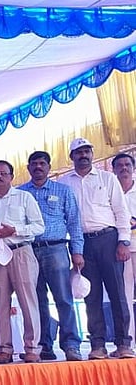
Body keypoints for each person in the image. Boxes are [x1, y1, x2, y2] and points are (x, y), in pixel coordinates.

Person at [59, 138, 133, 359]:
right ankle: (97, 345)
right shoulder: (64, 183)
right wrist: (74, 249)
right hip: (81, 243)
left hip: (108, 240)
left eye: (87, 151)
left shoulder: (108, 178)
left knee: (118, 294)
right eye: (78, 152)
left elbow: (121, 212)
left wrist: (123, 241)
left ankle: (123, 344)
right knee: (91, 296)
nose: (83, 155)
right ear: (71, 157)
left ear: (92, 154)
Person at [18, 151, 84, 361]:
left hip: (56, 249)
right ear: (28, 168)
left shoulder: (63, 191)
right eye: (34, 164)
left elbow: (74, 223)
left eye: (42, 163)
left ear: (48, 167)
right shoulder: (20, 193)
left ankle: (71, 344)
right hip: (28, 250)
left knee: (63, 298)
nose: (38, 167)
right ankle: (43, 345)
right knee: (36, 301)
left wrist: (77, 252)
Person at [0, 160, 45, 364]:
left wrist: (15, 230)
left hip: (20, 251)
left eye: (2, 173)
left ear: (11, 176)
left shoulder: (24, 197)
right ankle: (4, 349)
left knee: (28, 301)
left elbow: (38, 227)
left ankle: (32, 348)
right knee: (0, 302)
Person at [111, 153, 136, 353]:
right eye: (119, 165)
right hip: (120, 248)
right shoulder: (110, 189)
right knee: (124, 296)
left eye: (127, 164)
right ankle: (129, 344)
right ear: (114, 169)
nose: (124, 168)